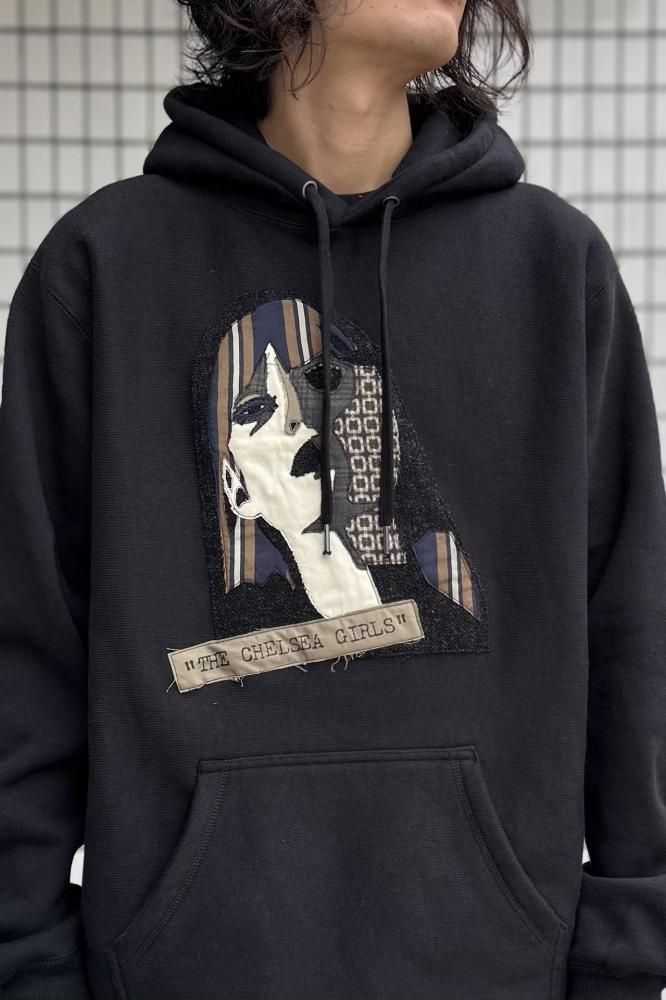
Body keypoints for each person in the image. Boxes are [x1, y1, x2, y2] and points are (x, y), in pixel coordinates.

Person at [0, 0, 664, 997]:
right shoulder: (100, 270)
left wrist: (626, 957)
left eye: (322, 403)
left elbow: (634, 642)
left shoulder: (554, 269)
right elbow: (26, 669)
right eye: (265, 413)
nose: (307, 431)